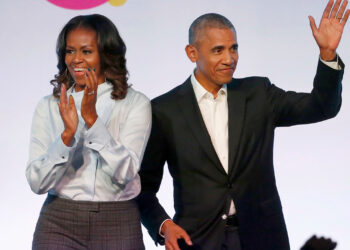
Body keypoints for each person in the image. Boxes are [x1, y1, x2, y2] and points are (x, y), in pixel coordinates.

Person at [137, 0, 348, 249]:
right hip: (198, 240)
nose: (229, 58)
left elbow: (322, 107)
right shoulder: (164, 110)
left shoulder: (259, 93)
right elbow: (141, 188)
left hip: (262, 237)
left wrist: (327, 55)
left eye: (234, 48)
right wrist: (163, 225)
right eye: (218, 50)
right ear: (192, 53)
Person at [26, 14, 150, 250]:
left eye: (86, 51)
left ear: (106, 54)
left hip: (118, 220)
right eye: (70, 51)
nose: (76, 60)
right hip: (59, 220)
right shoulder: (49, 105)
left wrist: (92, 121)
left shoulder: (136, 103)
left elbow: (127, 173)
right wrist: (66, 137)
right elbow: (37, 182)